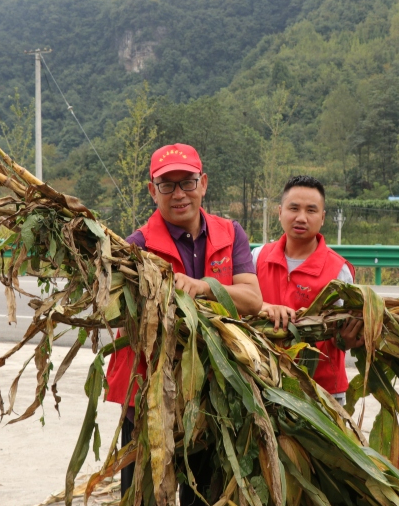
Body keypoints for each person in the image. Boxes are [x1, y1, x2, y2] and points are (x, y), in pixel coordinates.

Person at [105, 143, 262, 505]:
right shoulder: (135, 248)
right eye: (167, 185)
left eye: (187, 182)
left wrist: (203, 287)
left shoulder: (230, 233)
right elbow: (119, 317)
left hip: (210, 388)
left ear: (203, 183)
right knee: (143, 492)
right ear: (152, 191)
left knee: (202, 493)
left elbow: (252, 300)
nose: (179, 194)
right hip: (148, 389)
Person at [252, 175, 363, 406]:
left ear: (322, 218)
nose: (301, 217)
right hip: (263, 384)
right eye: (294, 208)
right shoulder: (257, 258)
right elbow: (239, 306)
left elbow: (346, 334)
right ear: (280, 211)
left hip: (321, 392)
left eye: (311, 210)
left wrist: (350, 339)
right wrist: (264, 307)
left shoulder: (339, 271)